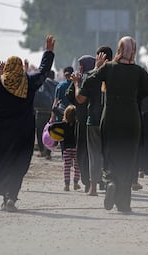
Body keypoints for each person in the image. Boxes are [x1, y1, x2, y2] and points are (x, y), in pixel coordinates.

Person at [0, 35, 55, 212]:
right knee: (18, 162)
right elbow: (43, 71)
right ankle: (11, 197)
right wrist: (48, 51)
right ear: (20, 68)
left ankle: (4, 195)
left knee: (1, 161)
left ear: (6, 68)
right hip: (22, 130)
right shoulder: (29, 82)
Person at [80, 36, 148, 213]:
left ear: (118, 49)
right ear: (134, 51)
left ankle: (111, 181)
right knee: (128, 159)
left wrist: (98, 68)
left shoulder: (108, 68)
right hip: (131, 120)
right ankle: (124, 204)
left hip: (110, 117)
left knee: (109, 154)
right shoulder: (138, 71)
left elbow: (86, 84)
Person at [72, 47, 113, 196]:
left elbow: (80, 98)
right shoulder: (115, 74)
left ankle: (93, 187)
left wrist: (77, 83)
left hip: (94, 120)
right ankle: (111, 183)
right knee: (109, 153)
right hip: (111, 119)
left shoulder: (91, 76)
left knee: (94, 154)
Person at [67, 55, 96, 194]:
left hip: (84, 121)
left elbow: (71, 97)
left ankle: (87, 181)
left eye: (81, 65)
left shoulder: (85, 79)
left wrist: (75, 83)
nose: (79, 68)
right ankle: (95, 181)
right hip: (94, 120)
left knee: (83, 152)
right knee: (94, 151)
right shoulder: (97, 77)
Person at [49, 105, 81, 191]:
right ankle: (75, 183)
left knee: (67, 166)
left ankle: (66, 185)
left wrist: (60, 136)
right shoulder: (77, 124)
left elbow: (51, 127)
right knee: (77, 167)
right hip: (76, 148)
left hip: (66, 149)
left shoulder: (63, 124)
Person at [34, 70, 58, 159]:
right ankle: (48, 152)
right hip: (52, 112)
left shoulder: (42, 83)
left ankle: (42, 151)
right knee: (51, 132)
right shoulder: (57, 84)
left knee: (40, 131)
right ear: (53, 76)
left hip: (40, 111)